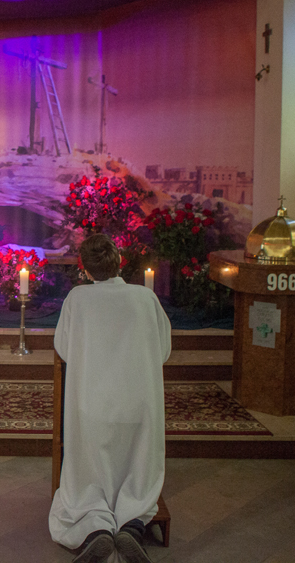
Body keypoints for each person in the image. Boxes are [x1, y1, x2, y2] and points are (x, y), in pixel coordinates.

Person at [49, 234, 172, 563]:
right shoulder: (145, 298)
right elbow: (162, 350)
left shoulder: (77, 299)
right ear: (119, 262)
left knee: (88, 474)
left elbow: (64, 348)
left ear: (86, 269)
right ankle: (132, 525)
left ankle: (95, 528)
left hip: (93, 404)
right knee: (138, 466)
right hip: (138, 404)